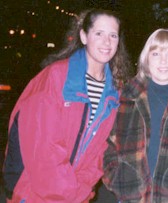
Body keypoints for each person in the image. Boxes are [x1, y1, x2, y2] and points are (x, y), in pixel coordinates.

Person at [3, 8, 131, 202]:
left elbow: (101, 153)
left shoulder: (114, 94)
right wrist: (68, 193)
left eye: (113, 35)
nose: (107, 42)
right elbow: (44, 149)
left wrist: (80, 190)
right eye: (99, 33)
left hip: (76, 196)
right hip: (36, 193)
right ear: (84, 36)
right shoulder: (56, 77)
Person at [102, 28, 168, 202]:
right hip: (132, 198)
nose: (163, 61)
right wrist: (118, 181)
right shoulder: (127, 97)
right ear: (146, 59)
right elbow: (108, 145)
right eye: (155, 54)